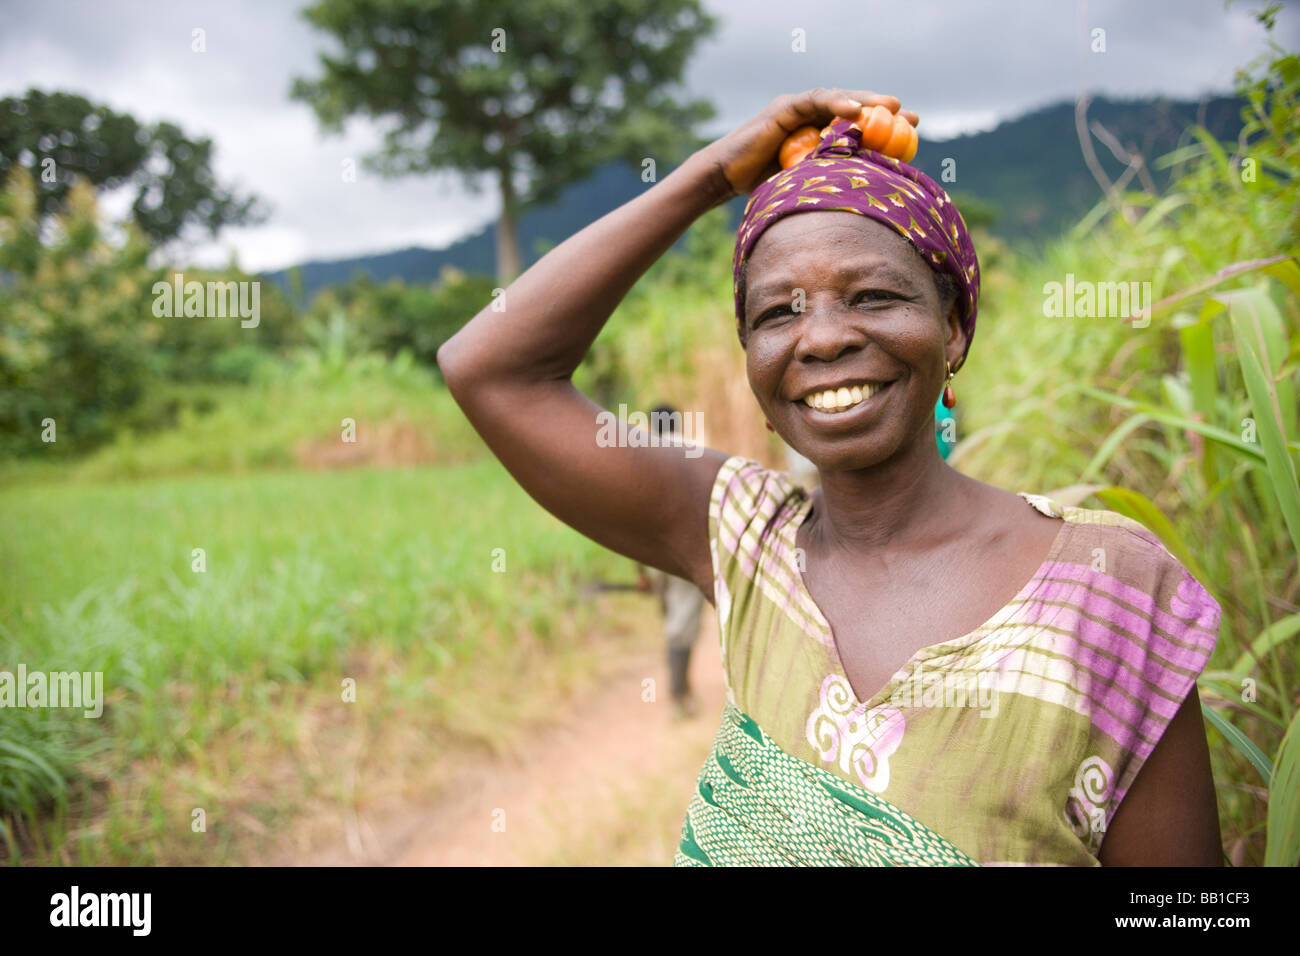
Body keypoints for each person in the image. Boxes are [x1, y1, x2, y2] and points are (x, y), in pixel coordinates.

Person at [436, 88, 1221, 866]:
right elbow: (490, 370)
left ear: (951, 328)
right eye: (778, 313)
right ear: (751, 357)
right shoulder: (743, 538)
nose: (822, 339)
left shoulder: (1111, 584)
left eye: (874, 296)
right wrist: (712, 176)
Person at [636, 404, 707, 720]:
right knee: (682, 622)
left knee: (672, 619)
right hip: (685, 551)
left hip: (653, 552)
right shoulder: (694, 455)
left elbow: (630, 514)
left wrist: (639, 567)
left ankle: (680, 691)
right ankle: (679, 697)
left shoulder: (642, 457)